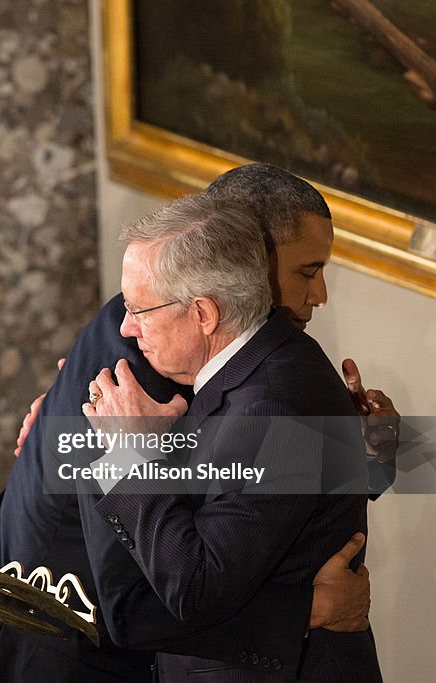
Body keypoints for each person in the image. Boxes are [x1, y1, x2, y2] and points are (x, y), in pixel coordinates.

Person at [0, 164, 385, 681]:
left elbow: (269, 486)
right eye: (306, 270)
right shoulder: (149, 359)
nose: (320, 294)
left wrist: (367, 446)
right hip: (42, 648)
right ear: (239, 256)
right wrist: (310, 610)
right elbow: (175, 581)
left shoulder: (198, 338)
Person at [83, 193, 380, 679]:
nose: (124, 327)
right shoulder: (249, 366)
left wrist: (130, 455)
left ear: (204, 313)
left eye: (139, 309)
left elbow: (196, 589)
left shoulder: (274, 407)